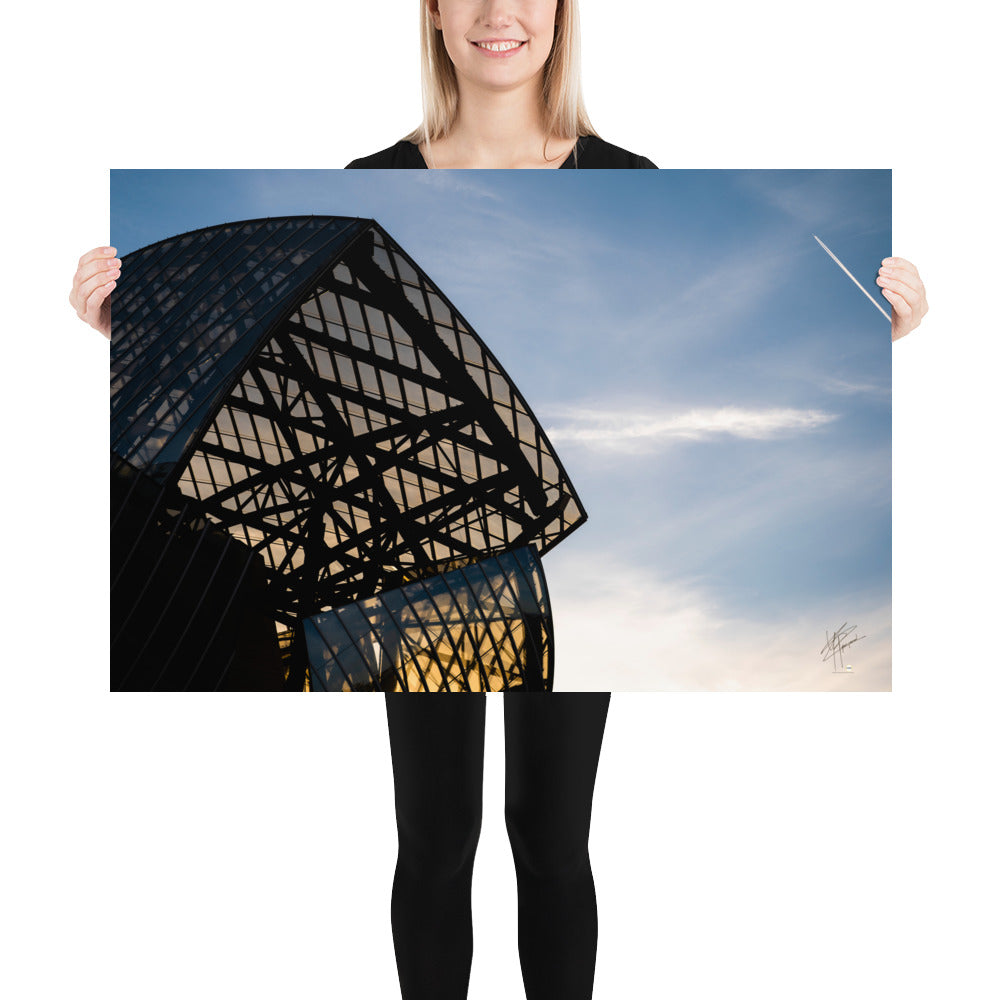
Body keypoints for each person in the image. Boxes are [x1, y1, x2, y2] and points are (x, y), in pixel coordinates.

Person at [71, 3, 928, 998]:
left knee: (553, 837)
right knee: (436, 839)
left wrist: (884, 335)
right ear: (431, 14)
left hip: (500, 581)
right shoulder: (369, 182)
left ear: (563, 15)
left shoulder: (626, 182)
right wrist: (112, 329)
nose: (497, 13)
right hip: (423, 581)